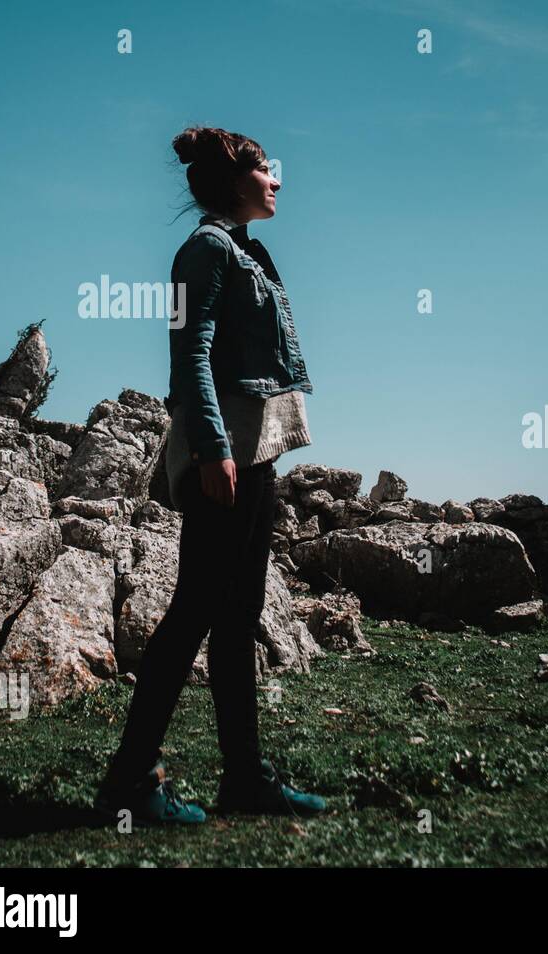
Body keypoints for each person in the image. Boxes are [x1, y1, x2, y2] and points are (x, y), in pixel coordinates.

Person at [94, 126, 326, 824]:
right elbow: (189, 353)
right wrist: (211, 447)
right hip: (224, 453)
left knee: (237, 617)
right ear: (234, 180)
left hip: (255, 450)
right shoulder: (205, 250)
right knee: (193, 611)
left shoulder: (245, 250)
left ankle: (245, 780)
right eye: (264, 169)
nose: (276, 179)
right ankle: (130, 782)